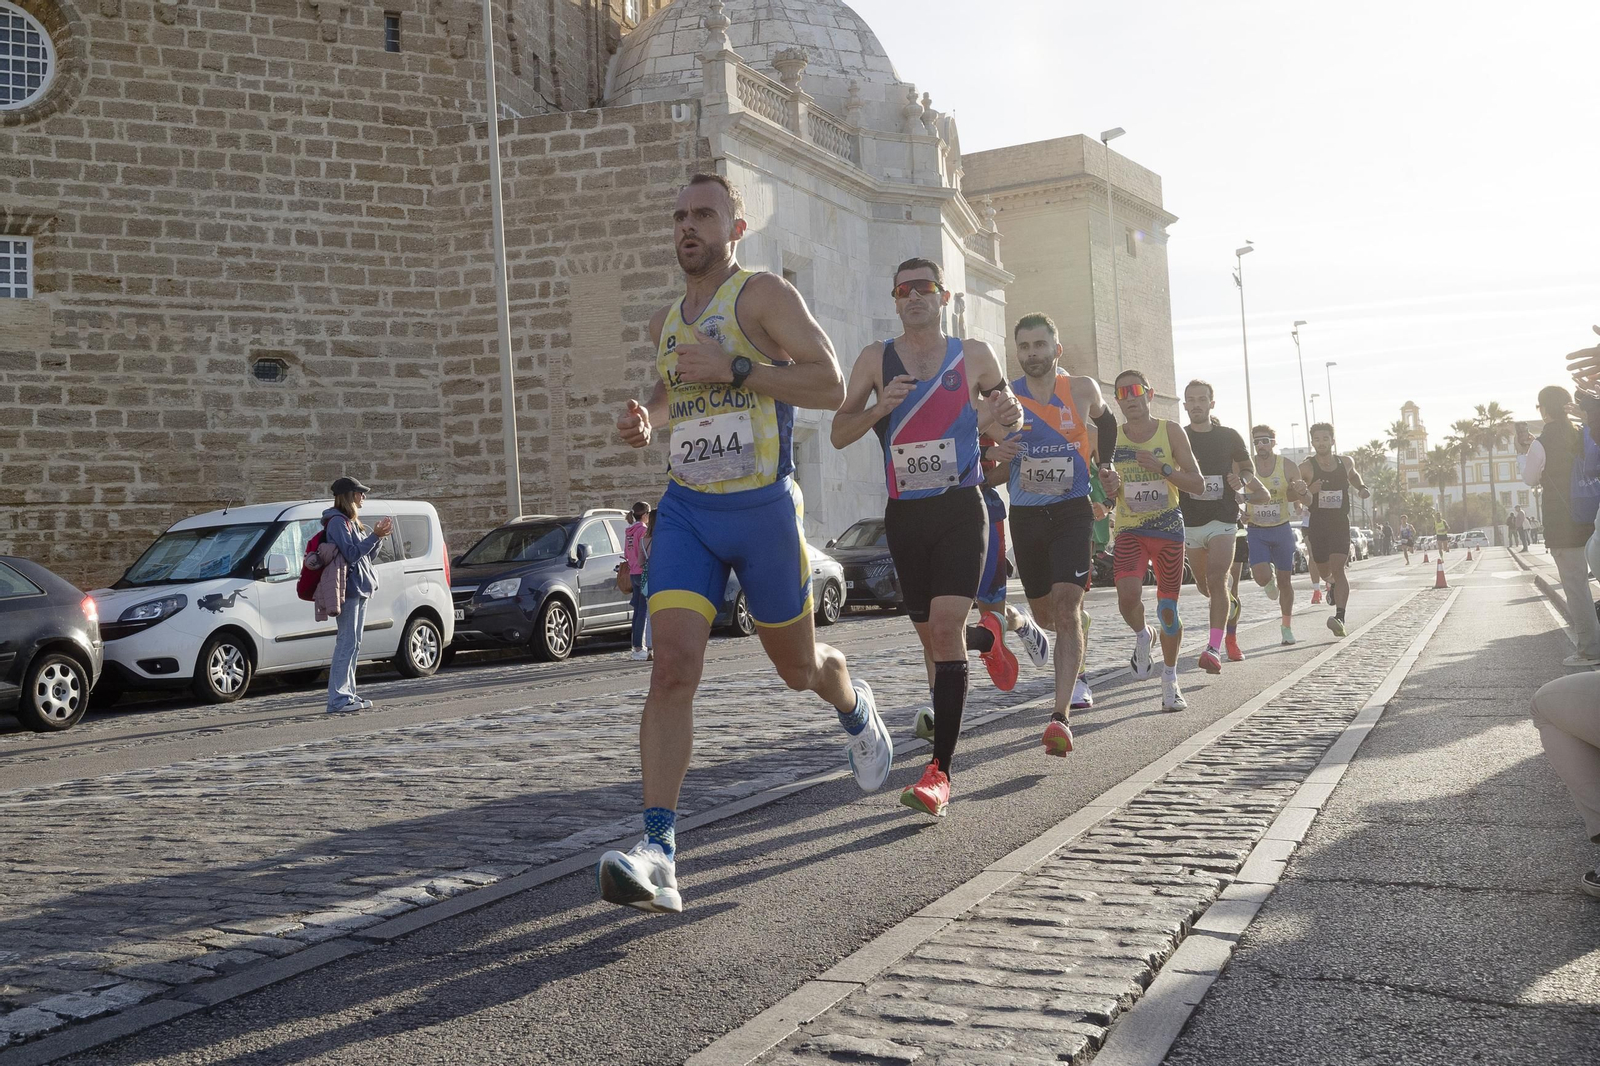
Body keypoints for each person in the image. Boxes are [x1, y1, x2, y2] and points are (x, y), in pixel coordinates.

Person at [599, 173, 893, 913]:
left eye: (703, 214)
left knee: (799, 669)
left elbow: (830, 385)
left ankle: (853, 704)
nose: (686, 227)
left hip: (762, 510)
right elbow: (675, 392)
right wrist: (649, 420)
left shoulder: (761, 297)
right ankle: (659, 849)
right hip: (690, 511)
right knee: (671, 665)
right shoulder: (673, 317)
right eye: (678, 216)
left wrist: (737, 367)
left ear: (736, 227)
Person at [832, 256, 1022, 818]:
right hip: (906, 517)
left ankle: (940, 773)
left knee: (942, 632)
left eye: (925, 288)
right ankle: (986, 640)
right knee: (935, 642)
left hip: (962, 509)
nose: (914, 296)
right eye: (904, 289)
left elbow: (1009, 414)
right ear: (894, 299)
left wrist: (1004, 414)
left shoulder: (974, 355)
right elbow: (841, 432)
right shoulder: (875, 359)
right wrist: (878, 409)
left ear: (942, 296)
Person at [1001, 312, 1119, 754]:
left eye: (1039, 345)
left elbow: (1107, 424)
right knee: (1048, 615)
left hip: (1071, 512)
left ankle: (1060, 716)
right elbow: (978, 444)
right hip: (1027, 517)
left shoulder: (1082, 388)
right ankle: (1032, 626)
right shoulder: (1006, 397)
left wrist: (1105, 465)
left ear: (1057, 349)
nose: (1033, 354)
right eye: (1025, 347)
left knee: (1067, 609)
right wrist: (996, 450)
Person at [1099, 369, 1206, 711]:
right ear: (1117, 400)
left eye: (1135, 391)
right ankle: (1143, 634)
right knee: (1127, 597)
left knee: (1168, 610)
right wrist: (1109, 487)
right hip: (1130, 529)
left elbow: (1197, 483)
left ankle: (1170, 678)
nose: (1129, 398)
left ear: (1150, 393)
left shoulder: (1170, 430)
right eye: (1122, 393)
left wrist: (1163, 469)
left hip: (1167, 529)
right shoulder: (1111, 437)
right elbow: (1106, 489)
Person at [1178, 382, 1267, 674]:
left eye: (1202, 399)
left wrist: (1241, 480)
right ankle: (1229, 603)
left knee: (1218, 579)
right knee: (1205, 586)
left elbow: (1247, 467)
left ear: (1211, 403)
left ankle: (1213, 648)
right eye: (1191, 400)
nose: (1196, 405)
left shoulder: (1228, 436)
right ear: (1185, 405)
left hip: (1223, 518)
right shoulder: (1178, 436)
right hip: (1190, 521)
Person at [1523, 383, 1600, 667]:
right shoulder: (1584, 433)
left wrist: (1526, 452)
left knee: (1576, 585)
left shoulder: (1541, 443)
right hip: (1593, 514)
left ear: (1544, 410)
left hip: (1564, 522)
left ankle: (1590, 648)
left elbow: (1530, 478)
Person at [322, 477, 394, 714]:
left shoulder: (352, 523)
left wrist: (379, 537)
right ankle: (338, 699)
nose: (363, 496)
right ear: (349, 495)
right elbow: (352, 554)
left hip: (360, 588)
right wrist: (374, 536)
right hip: (349, 590)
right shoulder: (337, 522)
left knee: (354, 644)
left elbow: (367, 557)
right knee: (346, 643)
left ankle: (348, 694)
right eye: (360, 493)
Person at [1301, 423, 1370, 638]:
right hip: (1318, 524)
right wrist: (1308, 491)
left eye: (1325, 438)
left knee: (1339, 569)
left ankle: (1340, 617)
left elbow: (1354, 475)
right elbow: (1295, 494)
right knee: (1324, 571)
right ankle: (1328, 583)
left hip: (1340, 522)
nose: (1321, 443)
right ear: (1312, 442)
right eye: (1317, 439)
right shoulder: (1306, 468)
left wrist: (1361, 487)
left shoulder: (1345, 462)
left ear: (1332, 440)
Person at [1244, 425, 1309, 645]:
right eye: (1256, 442)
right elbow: (1235, 492)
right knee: (1261, 577)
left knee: (1286, 581)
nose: (1260, 446)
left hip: (1281, 528)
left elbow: (1295, 494)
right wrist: (1240, 511)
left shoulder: (1287, 466)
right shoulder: (1247, 466)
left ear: (1273, 442)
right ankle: (1267, 580)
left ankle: (1286, 626)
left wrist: (1299, 493)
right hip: (1256, 529)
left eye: (1264, 441)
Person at [624, 501, 652, 660]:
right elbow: (643, 551)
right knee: (642, 612)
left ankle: (635, 646)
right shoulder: (642, 530)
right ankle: (638, 647)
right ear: (645, 514)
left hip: (632, 572)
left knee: (637, 611)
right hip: (642, 572)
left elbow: (627, 553)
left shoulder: (629, 530)